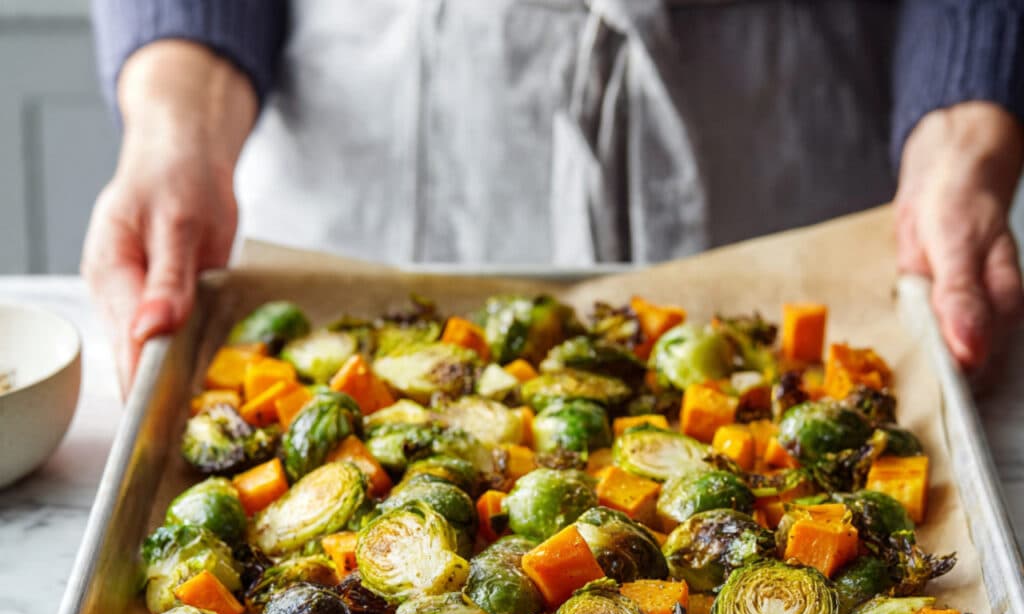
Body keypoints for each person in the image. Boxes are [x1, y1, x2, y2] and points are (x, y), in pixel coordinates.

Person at [83, 1, 1024, 392]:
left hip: (781, 116)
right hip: (377, 119)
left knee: (796, 385)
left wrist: (962, 133)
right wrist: (180, 121)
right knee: (326, 395)